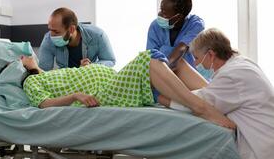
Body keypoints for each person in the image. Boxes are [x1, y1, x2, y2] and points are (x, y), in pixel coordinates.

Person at [19, 49, 235, 129]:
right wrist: (76, 95)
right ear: (21, 67)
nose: (28, 55)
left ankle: (215, 98)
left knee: (176, 62)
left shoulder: (51, 72)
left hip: (113, 82)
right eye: (22, 57)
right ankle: (202, 107)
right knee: (146, 59)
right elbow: (45, 104)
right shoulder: (32, 81)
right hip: (104, 95)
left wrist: (87, 68)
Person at [159, 28, 274, 159]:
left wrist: (160, 98)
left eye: (196, 58)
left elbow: (198, 104)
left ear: (211, 54)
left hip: (258, 149)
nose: (195, 64)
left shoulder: (232, 75)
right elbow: (212, 94)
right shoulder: (242, 63)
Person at [146, 0, 204, 69]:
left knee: (181, 56)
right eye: (161, 9)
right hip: (159, 72)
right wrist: (162, 72)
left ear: (178, 17)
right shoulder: (155, 26)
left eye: (164, 13)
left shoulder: (195, 24)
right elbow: (150, 56)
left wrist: (165, 69)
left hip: (186, 72)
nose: (160, 14)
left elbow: (182, 48)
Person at [38, 7, 116, 71]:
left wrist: (92, 67)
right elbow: (43, 70)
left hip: (90, 76)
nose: (51, 35)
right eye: (50, 29)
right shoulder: (48, 39)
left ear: (71, 29)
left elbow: (110, 60)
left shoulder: (98, 35)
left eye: (56, 32)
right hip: (66, 79)